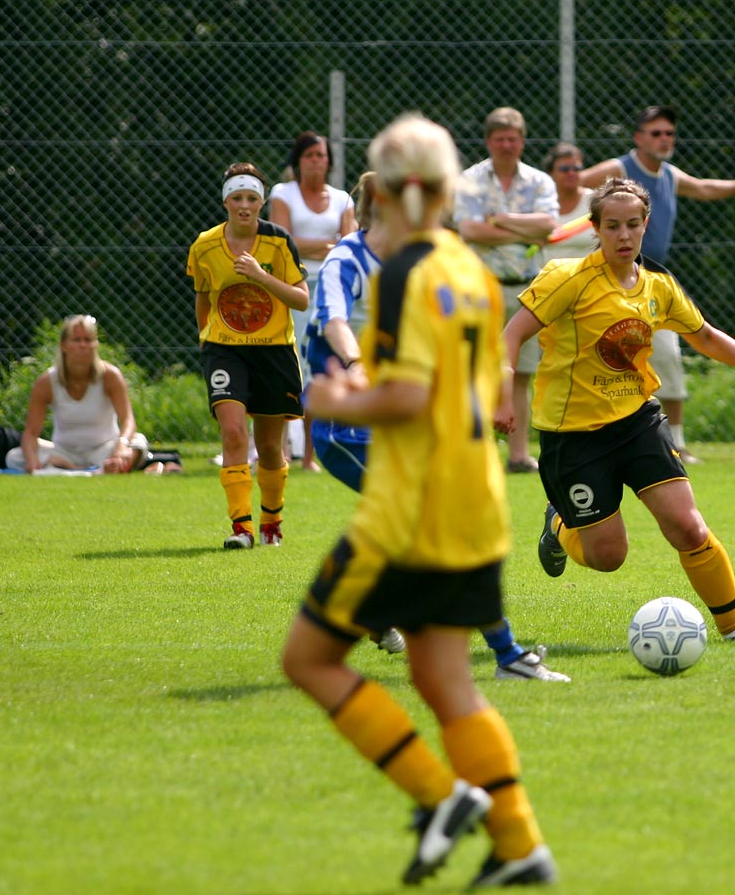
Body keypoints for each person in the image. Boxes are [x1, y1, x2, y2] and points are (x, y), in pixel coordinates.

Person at [283, 113, 557, 888]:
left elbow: (405, 396)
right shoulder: (468, 268)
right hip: (474, 499)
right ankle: (520, 846)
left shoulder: (404, 273)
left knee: (308, 659)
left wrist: (339, 401)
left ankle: (441, 799)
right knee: (446, 683)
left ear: (400, 190)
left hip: (411, 506)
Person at [499, 177, 735, 644]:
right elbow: (510, 336)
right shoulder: (566, 279)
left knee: (687, 526)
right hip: (573, 435)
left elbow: (706, 336)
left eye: (633, 225)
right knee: (608, 555)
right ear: (595, 227)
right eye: (612, 226)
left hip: (638, 422)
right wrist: (499, 395)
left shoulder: (659, 287)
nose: (623, 235)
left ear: (645, 225)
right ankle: (559, 523)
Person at [305, 171, 568, 682]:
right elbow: (333, 320)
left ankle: (366, 610)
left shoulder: (419, 266)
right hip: (347, 428)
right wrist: (356, 365)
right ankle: (506, 655)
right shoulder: (347, 258)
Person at [579, 105, 735, 464]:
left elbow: (703, 188)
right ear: (638, 138)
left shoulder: (669, 175)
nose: (664, 139)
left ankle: (676, 444)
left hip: (653, 277)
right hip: (610, 276)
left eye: (669, 133)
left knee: (669, 358)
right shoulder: (618, 169)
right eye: (655, 133)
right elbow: (572, 183)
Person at [187, 163, 309, 549]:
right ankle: (242, 528)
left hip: (274, 352)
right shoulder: (205, 245)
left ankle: (272, 521)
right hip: (226, 351)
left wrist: (260, 276)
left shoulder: (278, 242)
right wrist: (206, 338)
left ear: (262, 202)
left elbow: (301, 300)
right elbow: (203, 296)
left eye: (251, 198)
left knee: (271, 446)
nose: (244, 205)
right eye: (236, 198)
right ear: (225, 201)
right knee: (234, 432)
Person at [453, 107, 559, 474]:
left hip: (528, 291)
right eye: (500, 139)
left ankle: (518, 455)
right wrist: (523, 230)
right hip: (480, 289)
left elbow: (548, 225)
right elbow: (469, 230)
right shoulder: (470, 179)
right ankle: (475, 451)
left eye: (513, 138)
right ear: (488, 141)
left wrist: (499, 220)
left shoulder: (539, 181)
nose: (507, 145)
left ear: (522, 141)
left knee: (521, 372)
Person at [270, 131, 355, 472]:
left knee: (322, 366)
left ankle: (311, 455)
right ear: (298, 161)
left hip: (333, 290)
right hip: (294, 287)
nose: (316, 161)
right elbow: (282, 241)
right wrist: (327, 244)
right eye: (310, 156)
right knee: (293, 365)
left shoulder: (342, 199)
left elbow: (349, 244)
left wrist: (314, 245)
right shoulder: (282, 194)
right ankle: (280, 450)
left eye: (321, 155)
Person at [5, 315, 152, 474]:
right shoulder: (46, 382)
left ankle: (95, 467)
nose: (83, 345)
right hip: (64, 452)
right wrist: (32, 461)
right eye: (76, 340)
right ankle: (80, 469)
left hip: (104, 450)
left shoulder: (110, 375)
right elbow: (31, 432)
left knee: (138, 442)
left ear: (96, 345)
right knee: (15, 457)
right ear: (63, 345)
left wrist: (121, 446)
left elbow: (128, 420)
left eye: (88, 340)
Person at [539, 143, 596, 262]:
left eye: (576, 169)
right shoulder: (539, 203)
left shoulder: (595, 202)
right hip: (547, 277)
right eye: (564, 169)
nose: (571, 173)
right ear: (550, 173)